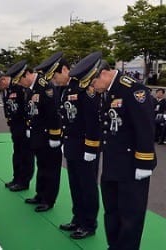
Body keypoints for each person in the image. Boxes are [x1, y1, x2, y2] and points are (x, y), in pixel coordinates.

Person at [69, 51, 157, 250]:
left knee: (130, 214)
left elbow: (145, 128)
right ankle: (114, 245)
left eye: (92, 83)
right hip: (112, 163)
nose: (92, 88)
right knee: (112, 210)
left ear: (102, 74)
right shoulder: (108, 91)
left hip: (132, 166)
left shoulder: (133, 90)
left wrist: (144, 162)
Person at [35, 52, 100, 238]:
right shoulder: (67, 89)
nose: (54, 81)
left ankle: (88, 224)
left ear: (65, 70)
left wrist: (91, 148)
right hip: (72, 145)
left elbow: (93, 121)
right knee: (75, 185)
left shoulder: (85, 88)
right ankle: (77, 219)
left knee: (87, 186)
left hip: (85, 147)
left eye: (55, 76)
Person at [9, 61, 62, 212]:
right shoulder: (31, 88)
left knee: (50, 169)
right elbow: (31, 111)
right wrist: (28, 128)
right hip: (37, 135)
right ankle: (40, 194)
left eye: (20, 79)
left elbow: (53, 113)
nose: (19, 83)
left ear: (27, 74)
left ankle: (48, 199)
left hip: (48, 136)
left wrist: (55, 136)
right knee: (42, 166)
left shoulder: (45, 86)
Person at [0, 66, 33, 192]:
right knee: (17, 154)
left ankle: (24, 181)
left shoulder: (19, 86)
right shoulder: (6, 90)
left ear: (3, 80)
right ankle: (16, 178)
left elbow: (28, 108)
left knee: (25, 155)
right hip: (15, 126)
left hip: (24, 125)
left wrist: (28, 126)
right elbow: (8, 108)